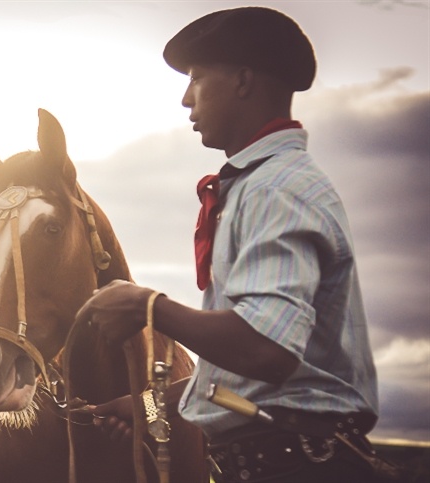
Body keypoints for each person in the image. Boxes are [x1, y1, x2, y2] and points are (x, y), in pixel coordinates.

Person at [75, 7, 392, 483]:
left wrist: (148, 306)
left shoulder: (274, 189)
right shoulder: (261, 186)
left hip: (295, 468)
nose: (186, 99)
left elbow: (268, 350)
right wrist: (148, 403)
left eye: (197, 79)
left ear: (243, 81)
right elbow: (259, 380)